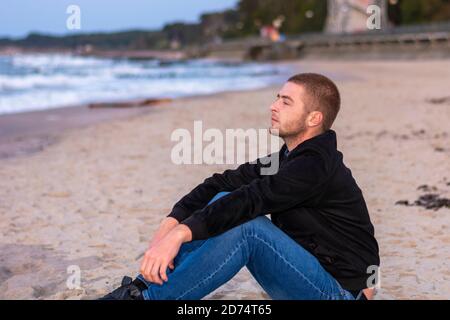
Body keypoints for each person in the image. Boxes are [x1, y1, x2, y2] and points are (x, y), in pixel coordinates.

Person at [99, 73, 380, 300]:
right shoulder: (287, 159)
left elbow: (253, 199)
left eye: (286, 102)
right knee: (224, 196)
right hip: (311, 276)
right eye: (276, 99)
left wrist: (181, 234)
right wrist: (170, 223)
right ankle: (141, 290)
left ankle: (150, 299)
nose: (273, 106)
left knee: (248, 227)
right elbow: (221, 183)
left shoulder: (314, 166)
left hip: (338, 293)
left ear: (314, 118)